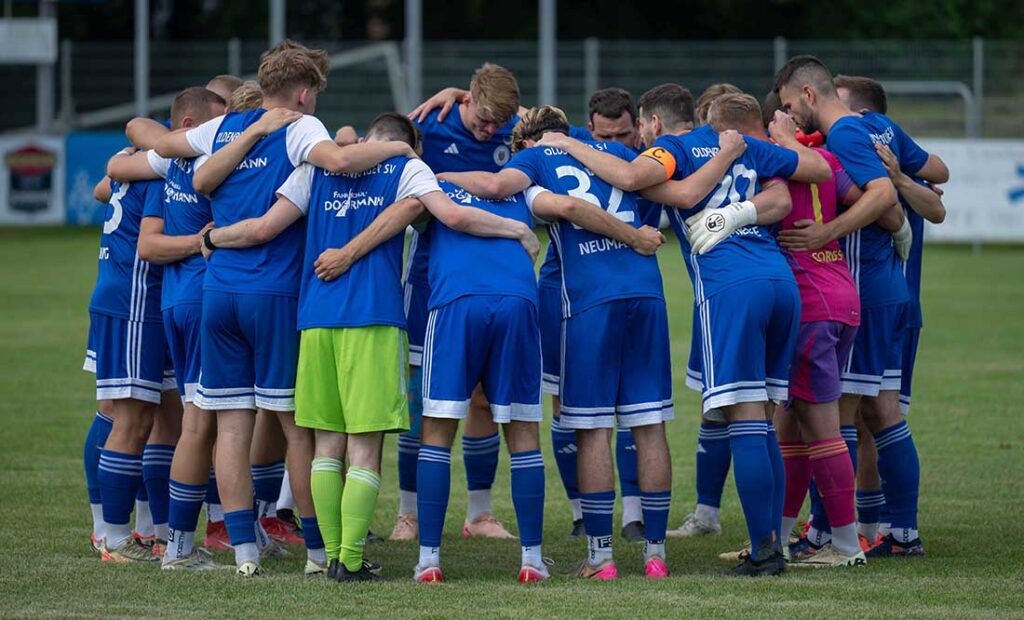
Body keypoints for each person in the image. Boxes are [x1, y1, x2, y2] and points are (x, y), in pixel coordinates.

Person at [533, 86, 832, 575]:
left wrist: (568, 145)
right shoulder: (735, 141)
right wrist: (746, 192)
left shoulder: (671, 150)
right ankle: (770, 542)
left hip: (731, 287)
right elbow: (809, 175)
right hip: (781, 281)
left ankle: (763, 552)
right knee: (766, 421)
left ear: (650, 123)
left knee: (746, 420)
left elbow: (638, 178)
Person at [442, 105, 745, 580]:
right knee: (649, 427)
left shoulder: (535, 158)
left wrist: (430, 175)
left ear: (525, 144)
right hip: (646, 293)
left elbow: (507, 189)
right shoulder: (620, 153)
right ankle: (656, 555)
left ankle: (601, 557)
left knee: (592, 429)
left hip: (589, 302)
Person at [151, 41, 417, 576]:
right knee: (299, 428)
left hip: (216, 292)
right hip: (272, 294)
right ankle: (320, 553)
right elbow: (340, 160)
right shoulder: (301, 128)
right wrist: (398, 150)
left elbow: (194, 174)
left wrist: (244, 142)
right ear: (304, 91)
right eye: (316, 92)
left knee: (230, 427)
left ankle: (244, 550)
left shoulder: (223, 127)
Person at [774, 55, 949, 559]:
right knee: (881, 412)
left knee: (835, 416)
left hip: (862, 292)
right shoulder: (876, 130)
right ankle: (899, 531)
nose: (791, 114)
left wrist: (827, 231)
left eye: (790, 105)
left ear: (808, 96)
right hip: (885, 291)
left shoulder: (848, 134)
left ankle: (833, 533)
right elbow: (933, 181)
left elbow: (884, 202)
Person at [708, 91, 865, 567]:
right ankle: (772, 539)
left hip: (809, 295)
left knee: (822, 428)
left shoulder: (768, 159)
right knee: (787, 428)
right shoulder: (824, 157)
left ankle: (845, 545)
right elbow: (866, 197)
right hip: (839, 289)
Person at [393, 63, 525, 542]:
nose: (491, 131)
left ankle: (480, 514)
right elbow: (383, 143)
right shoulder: (429, 123)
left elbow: (555, 129)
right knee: (418, 395)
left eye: (498, 123)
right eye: (484, 119)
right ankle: (407, 514)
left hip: (494, 274)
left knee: (483, 396)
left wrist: (505, 113)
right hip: (431, 274)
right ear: (467, 99)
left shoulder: (513, 128)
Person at [106, 86, 236, 569]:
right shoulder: (196, 165)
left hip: (167, 303)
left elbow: (115, 173)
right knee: (159, 420)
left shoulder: (169, 163)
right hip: (172, 301)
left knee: (175, 422)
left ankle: (162, 534)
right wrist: (207, 241)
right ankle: (131, 536)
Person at [832, 74, 947, 550]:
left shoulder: (874, 158)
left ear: (865, 114)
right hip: (896, 303)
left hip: (881, 305)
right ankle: (878, 528)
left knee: (870, 415)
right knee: (872, 418)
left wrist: (899, 178)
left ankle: (855, 528)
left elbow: (935, 198)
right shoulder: (867, 154)